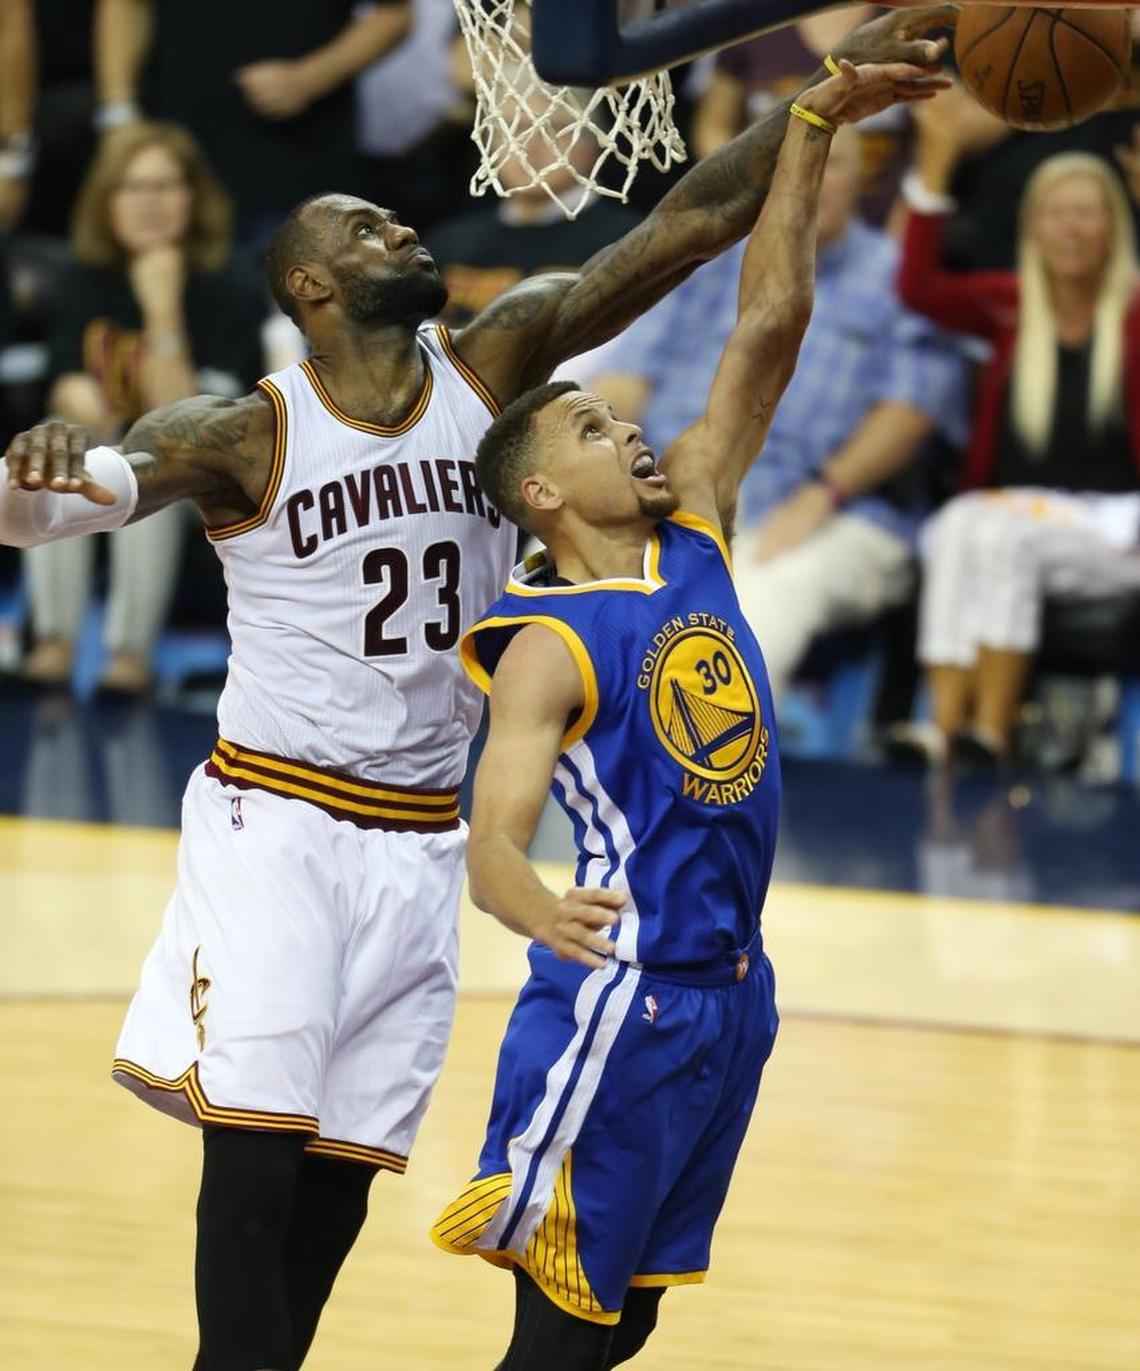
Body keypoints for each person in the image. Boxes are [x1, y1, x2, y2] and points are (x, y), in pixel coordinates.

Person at [0, 10, 951, 1367]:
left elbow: (685, 227)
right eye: (363, 228)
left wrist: (820, 96)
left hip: (416, 837)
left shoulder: (496, 360)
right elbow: (79, 499)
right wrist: (38, 467)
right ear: (311, 287)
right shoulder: (244, 432)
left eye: (394, 216)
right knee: (255, 1162)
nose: (399, 226)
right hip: (278, 821)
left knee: (337, 1186)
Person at [430, 57, 947, 1371]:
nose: (627, 432)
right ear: (542, 496)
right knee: (559, 1330)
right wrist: (538, 912)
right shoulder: (547, 641)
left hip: (734, 992)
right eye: (591, 430)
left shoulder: (697, 522)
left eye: (615, 416)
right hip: (625, 1003)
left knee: (634, 1315)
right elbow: (492, 840)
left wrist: (811, 127)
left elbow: (768, 325)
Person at [590, 126, 967, 706]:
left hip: (828, 507)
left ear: (862, 179)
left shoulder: (900, 278)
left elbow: (909, 412)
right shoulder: (709, 263)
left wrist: (824, 494)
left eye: (833, 164)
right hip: (674, 486)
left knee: (755, 601)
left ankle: (710, 758)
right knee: (566, 563)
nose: (814, 180)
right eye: (799, 165)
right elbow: (624, 379)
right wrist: (607, 474)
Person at [893, 116, 1140, 767]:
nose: (1070, 228)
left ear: (1114, 225)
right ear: (1032, 227)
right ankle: (943, 729)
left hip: (1123, 526)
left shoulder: (1135, 311)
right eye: (1056, 214)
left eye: (1086, 213)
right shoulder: (1011, 304)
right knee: (956, 524)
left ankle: (991, 731)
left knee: (1004, 536)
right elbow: (918, 289)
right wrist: (935, 168)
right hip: (1025, 511)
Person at [21, 122, 266, 694]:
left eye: (164, 187)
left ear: (193, 195)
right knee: (59, 452)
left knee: (144, 476)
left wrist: (161, 308)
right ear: (106, 200)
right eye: (132, 188)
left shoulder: (228, 282)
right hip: (109, 442)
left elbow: (189, 419)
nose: (148, 203)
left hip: (209, 476)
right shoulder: (82, 277)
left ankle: (130, 655)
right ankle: (54, 642)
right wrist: (80, 402)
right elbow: (65, 385)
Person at [93, 0, 411, 246]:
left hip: (297, 161)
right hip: (180, 160)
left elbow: (394, 15)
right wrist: (120, 114)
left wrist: (311, 77)